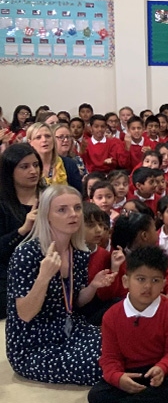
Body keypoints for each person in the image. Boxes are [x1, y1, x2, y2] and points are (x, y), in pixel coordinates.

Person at [6, 184, 116, 385]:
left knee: (123, 343)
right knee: (102, 366)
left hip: (72, 329)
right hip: (35, 345)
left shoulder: (79, 251)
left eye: (77, 208)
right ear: (46, 216)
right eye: (62, 210)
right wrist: (43, 277)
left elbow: (76, 303)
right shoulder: (27, 254)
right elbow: (25, 314)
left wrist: (93, 286)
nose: (72, 214)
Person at [88, 246, 168, 403]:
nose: (148, 287)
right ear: (125, 281)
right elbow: (110, 357)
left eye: (155, 280)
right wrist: (118, 377)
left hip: (161, 371)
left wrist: (163, 367)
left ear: (163, 284)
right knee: (96, 395)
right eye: (141, 279)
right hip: (130, 372)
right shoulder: (111, 316)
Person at [0, 143, 46, 316]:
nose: (33, 171)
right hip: (9, 273)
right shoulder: (3, 203)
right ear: (10, 171)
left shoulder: (50, 196)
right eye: (24, 167)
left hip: (47, 268)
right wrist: (23, 230)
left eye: (36, 165)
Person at [26, 123, 83, 191]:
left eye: (48, 136)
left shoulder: (69, 164)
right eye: (38, 137)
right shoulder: (27, 167)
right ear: (30, 142)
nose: (44, 140)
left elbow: (78, 193)